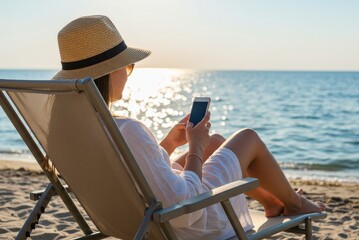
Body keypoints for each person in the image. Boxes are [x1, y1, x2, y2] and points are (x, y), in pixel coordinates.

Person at [52, 15, 325, 239]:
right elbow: (186, 207)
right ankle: (295, 204)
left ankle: (273, 203)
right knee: (247, 138)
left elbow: (128, 171)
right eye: (127, 66)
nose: (128, 72)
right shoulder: (127, 129)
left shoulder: (68, 132)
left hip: (139, 218)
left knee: (217, 141)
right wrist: (196, 146)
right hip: (187, 223)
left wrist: (169, 144)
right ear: (110, 72)